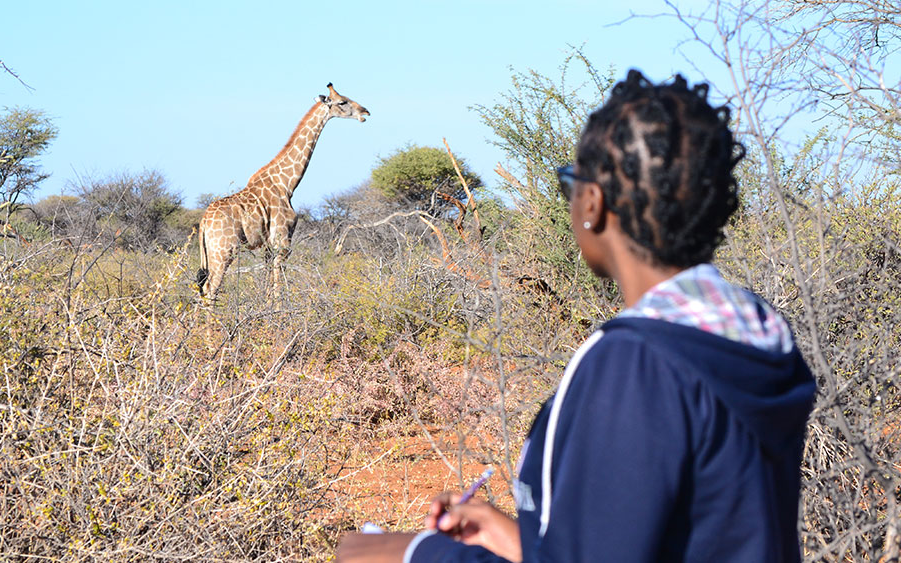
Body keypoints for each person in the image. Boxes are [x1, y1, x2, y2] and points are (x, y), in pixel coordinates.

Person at [335, 69, 816, 562]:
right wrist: (508, 534)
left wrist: (413, 553)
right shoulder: (756, 336)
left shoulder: (636, 363)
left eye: (572, 181)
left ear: (593, 201)